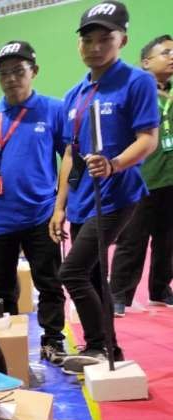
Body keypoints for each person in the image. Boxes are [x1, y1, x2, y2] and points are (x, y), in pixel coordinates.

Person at [50, 1, 159, 373]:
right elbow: (70, 153)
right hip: (82, 198)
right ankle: (107, 347)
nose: (95, 46)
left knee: (71, 272)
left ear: (122, 40)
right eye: (88, 39)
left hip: (118, 195)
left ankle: (98, 345)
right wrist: (59, 206)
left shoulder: (136, 81)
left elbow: (148, 139)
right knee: (93, 274)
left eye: (104, 39)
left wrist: (114, 164)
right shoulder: (74, 94)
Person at [0, 41, 68, 365]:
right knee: (1, 289)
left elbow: (67, 156)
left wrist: (60, 206)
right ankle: (6, 345)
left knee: (49, 283)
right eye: (4, 73)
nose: (11, 78)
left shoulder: (54, 109)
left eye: (18, 71)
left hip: (41, 215)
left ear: (33, 72)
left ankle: (53, 340)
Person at [110, 34, 173, 315]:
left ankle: (160, 289)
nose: (172, 57)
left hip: (170, 178)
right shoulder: (134, 90)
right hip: (142, 178)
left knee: (168, 240)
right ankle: (118, 294)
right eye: (166, 52)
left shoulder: (170, 93)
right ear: (146, 61)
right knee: (132, 240)